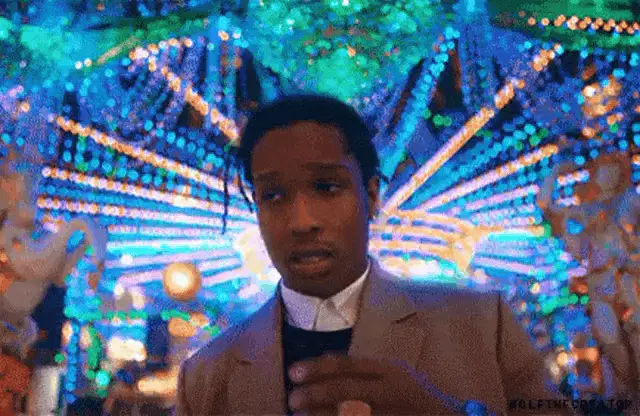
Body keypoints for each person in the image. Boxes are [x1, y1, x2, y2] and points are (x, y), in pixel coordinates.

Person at [175, 95, 635, 415]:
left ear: (372, 195)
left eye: (326, 187)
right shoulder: (208, 376)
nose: (302, 221)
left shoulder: (480, 326)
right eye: (273, 195)